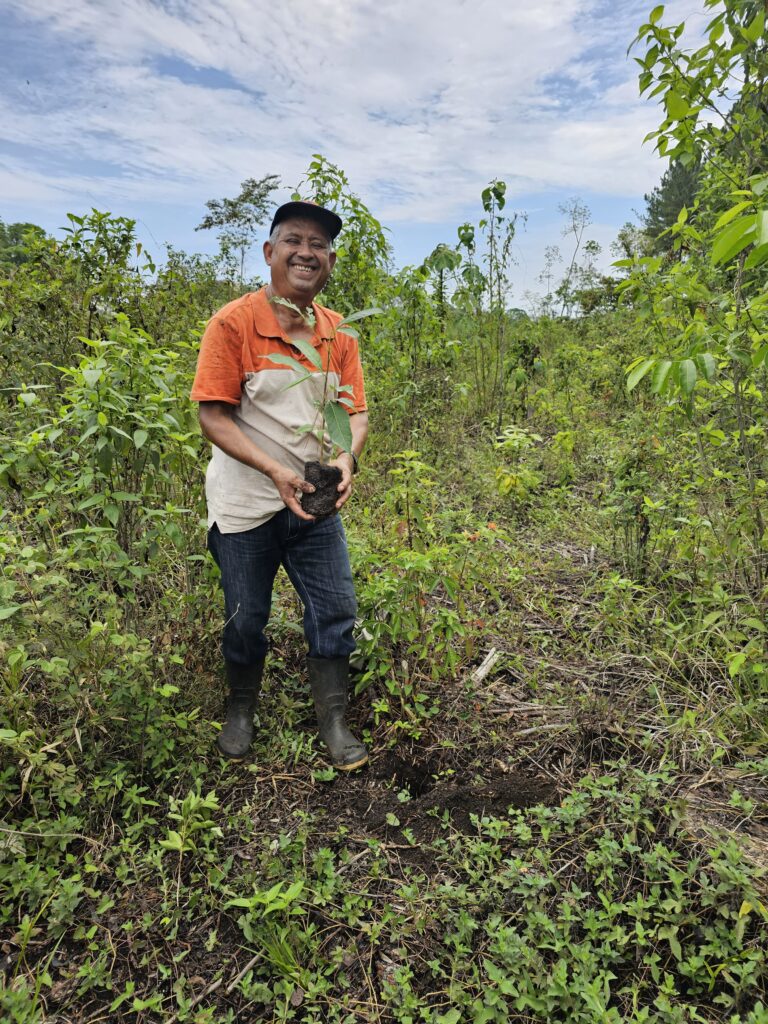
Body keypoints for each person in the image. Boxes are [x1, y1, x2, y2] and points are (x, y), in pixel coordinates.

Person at [190, 200, 369, 769]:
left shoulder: (337, 332)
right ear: (270, 252)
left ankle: (334, 719)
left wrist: (346, 459)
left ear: (331, 261)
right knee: (245, 616)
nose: (306, 253)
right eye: (294, 240)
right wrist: (273, 469)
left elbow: (355, 411)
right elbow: (213, 416)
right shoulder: (234, 324)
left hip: (315, 501)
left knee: (336, 609)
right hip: (247, 504)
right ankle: (241, 709)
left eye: (318, 245)